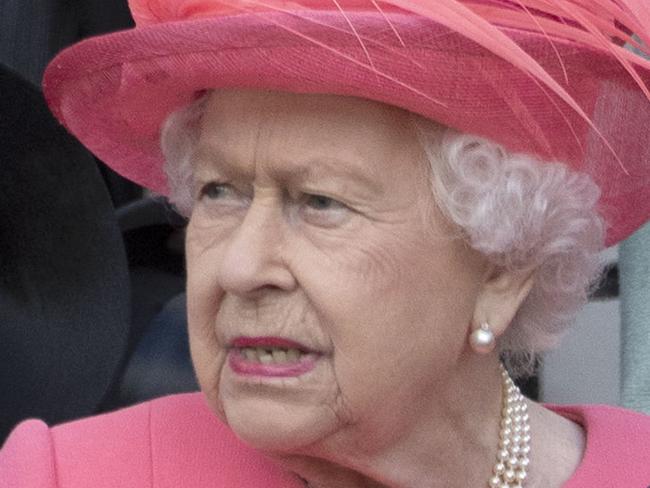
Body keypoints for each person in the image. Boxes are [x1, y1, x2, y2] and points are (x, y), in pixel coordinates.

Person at [2, 0, 650, 487]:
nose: (240, 266)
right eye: (219, 193)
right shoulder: (65, 474)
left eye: (320, 203)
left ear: (503, 268)